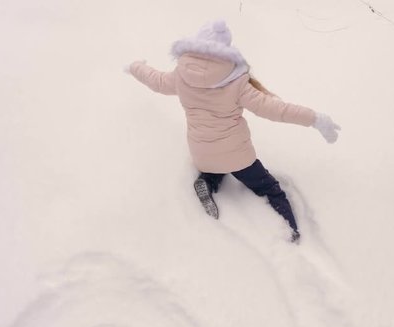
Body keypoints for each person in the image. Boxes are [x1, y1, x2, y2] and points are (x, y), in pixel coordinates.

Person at [126, 20, 340, 243]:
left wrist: (135, 67)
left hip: (201, 153)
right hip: (239, 158)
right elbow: (278, 110)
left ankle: (208, 181)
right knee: (269, 188)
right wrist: (315, 119)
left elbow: (155, 80)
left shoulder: (181, 75)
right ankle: (292, 230)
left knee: (214, 166)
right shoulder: (236, 82)